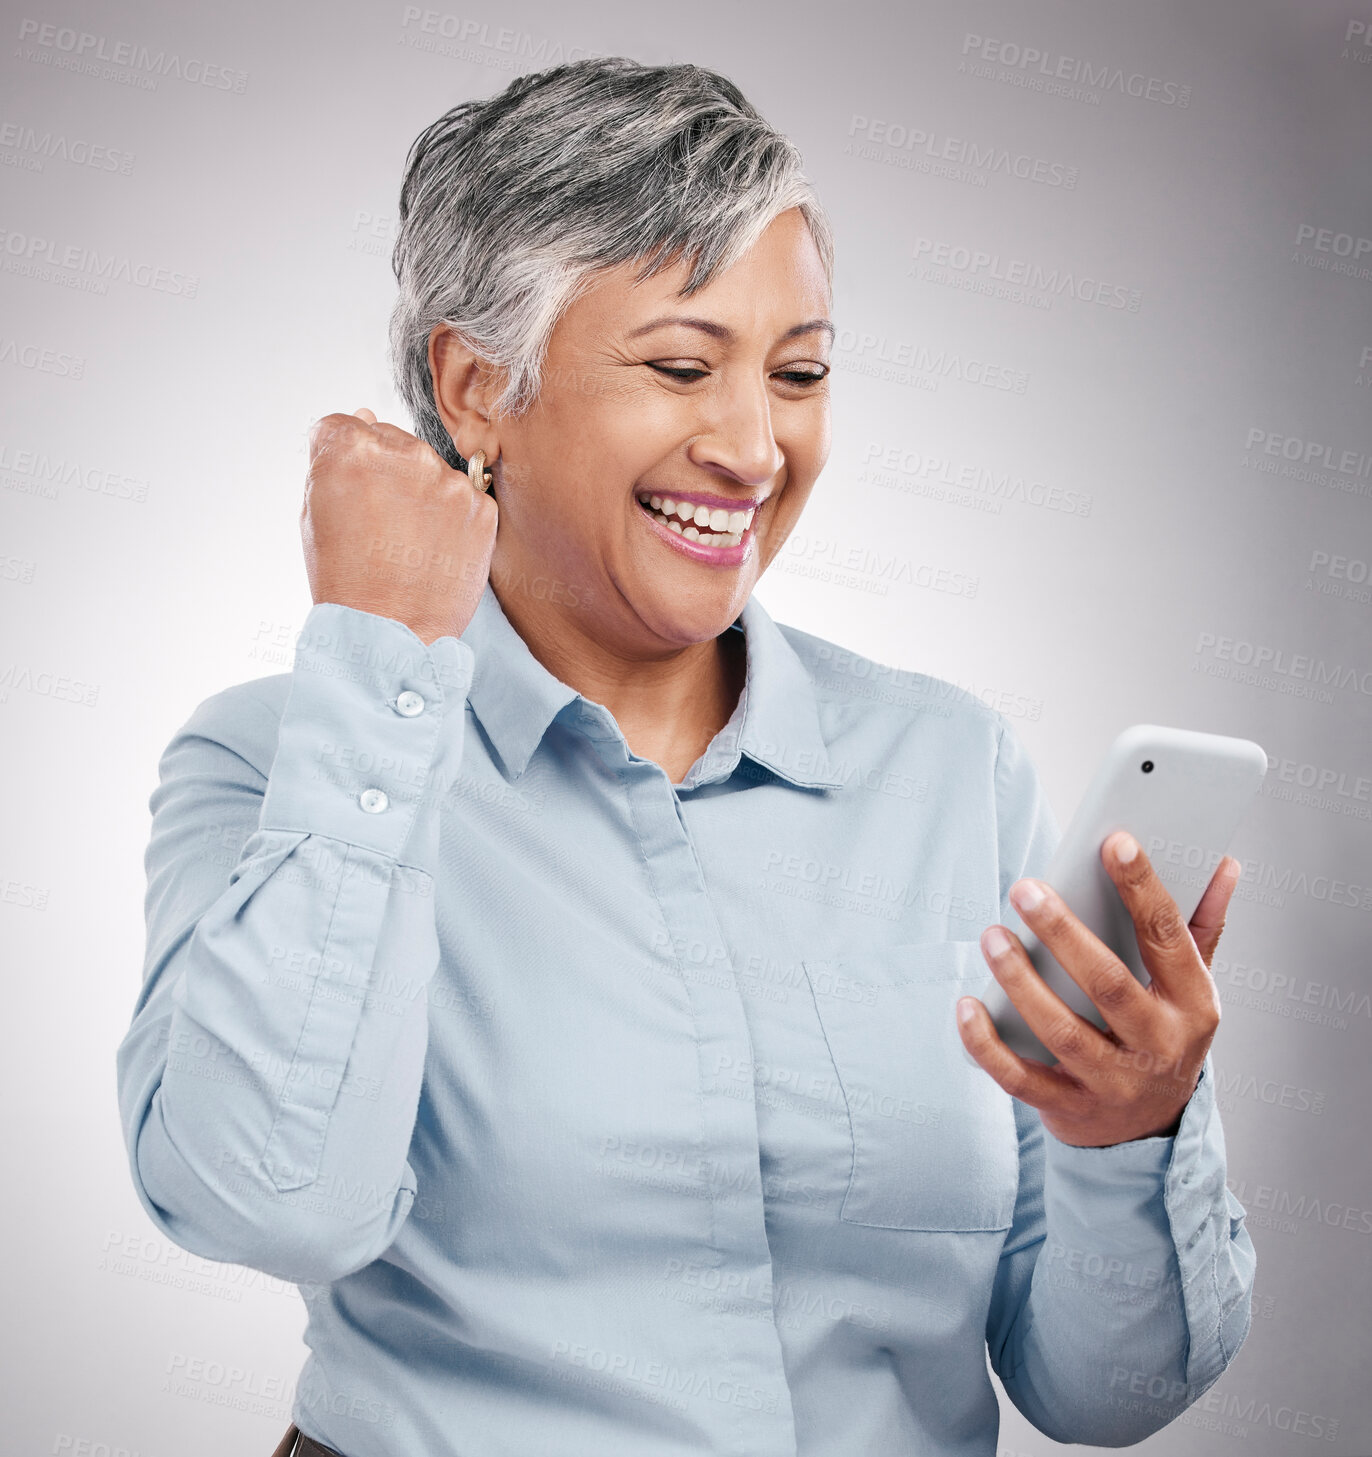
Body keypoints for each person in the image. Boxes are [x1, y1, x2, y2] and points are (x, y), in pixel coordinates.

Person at [116, 56, 1255, 1457]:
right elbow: (264, 1197)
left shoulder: (952, 771)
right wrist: (379, 661)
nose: (753, 446)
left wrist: (1127, 1136)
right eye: (679, 366)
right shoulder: (279, 754)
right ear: (475, 389)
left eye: (799, 374)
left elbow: (1104, 1392)